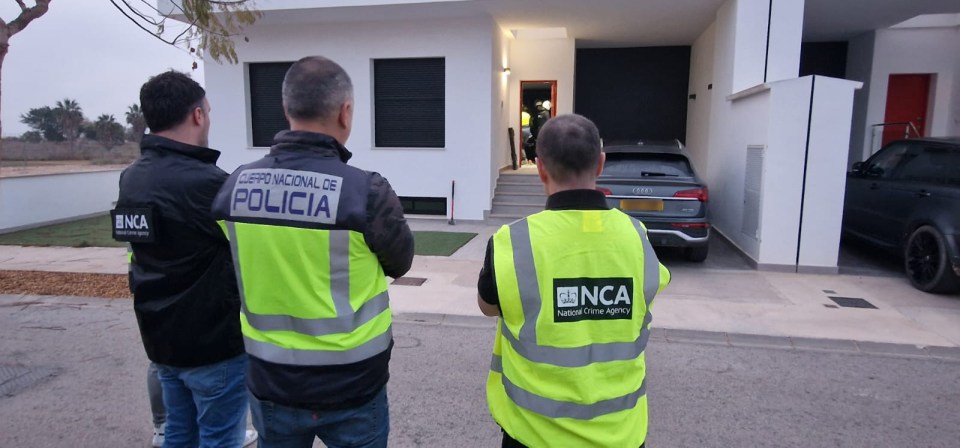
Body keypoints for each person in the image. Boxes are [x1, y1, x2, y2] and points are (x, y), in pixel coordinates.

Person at [211, 56, 415, 448]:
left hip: (272, 382)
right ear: (346, 112)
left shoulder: (235, 187)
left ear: (287, 110)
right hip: (354, 383)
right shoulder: (365, 192)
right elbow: (400, 262)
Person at [476, 114, 671, 447]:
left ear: (539, 167)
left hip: (534, 435)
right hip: (620, 434)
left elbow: (488, 307)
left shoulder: (512, 242)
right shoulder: (637, 237)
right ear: (600, 164)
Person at [113, 70, 257, 448]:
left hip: (161, 340)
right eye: (207, 112)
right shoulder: (209, 184)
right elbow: (251, 250)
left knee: (178, 432)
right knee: (220, 438)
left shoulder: (132, 178)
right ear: (197, 115)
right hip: (213, 345)